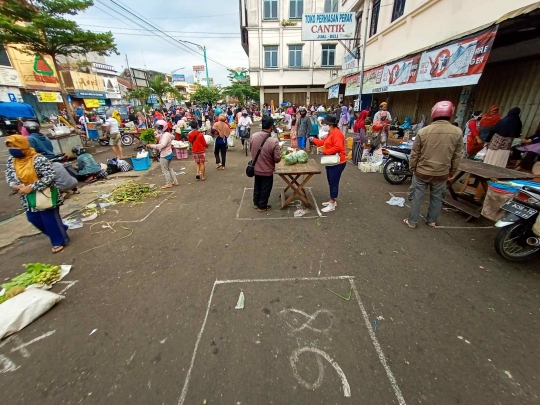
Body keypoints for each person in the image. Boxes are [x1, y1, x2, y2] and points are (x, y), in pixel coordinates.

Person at [5, 135, 69, 253]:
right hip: (27, 197)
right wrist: (14, 185)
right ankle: (60, 229)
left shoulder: (38, 159)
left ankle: (59, 241)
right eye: (10, 147)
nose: (12, 149)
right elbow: (9, 176)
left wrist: (32, 187)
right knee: (33, 218)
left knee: (49, 219)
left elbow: (50, 176)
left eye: (15, 146)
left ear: (23, 145)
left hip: (45, 194)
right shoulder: (11, 161)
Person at [404, 101, 463, 229]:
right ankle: (431, 220)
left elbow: (415, 153)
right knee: (437, 198)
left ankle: (412, 222)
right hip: (441, 172)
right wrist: (452, 171)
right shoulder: (457, 132)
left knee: (417, 196)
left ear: (433, 113)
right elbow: (457, 155)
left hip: (422, 171)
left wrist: (412, 167)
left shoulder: (423, 131)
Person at [309, 114, 346, 213]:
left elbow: (338, 147)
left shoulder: (337, 133)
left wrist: (325, 152)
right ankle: (332, 200)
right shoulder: (331, 133)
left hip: (338, 162)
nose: (323, 125)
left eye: (325, 124)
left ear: (330, 124)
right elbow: (323, 143)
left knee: (334, 182)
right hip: (331, 160)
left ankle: (332, 203)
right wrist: (313, 140)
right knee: (331, 181)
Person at [250, 116, 281, 212]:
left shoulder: (253, 136)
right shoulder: (273, 141)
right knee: (265, 188)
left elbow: (251, 150)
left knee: (257, 185)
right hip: (267, 169)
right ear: (272, 126)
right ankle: (262, 206)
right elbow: (277, 159)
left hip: (256, 167)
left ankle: (256, 203)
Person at [147, 119, 178, 189]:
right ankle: (175, 181)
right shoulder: (166, 134)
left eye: (159, 128)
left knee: (165, 170)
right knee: (170, 168)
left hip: (165, 154)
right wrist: (154, 136)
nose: (158, 129)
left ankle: (168, 183)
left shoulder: (165, 136)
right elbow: (159, 136)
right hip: (169, 153)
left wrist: (151, 145)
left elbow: (162, 145)